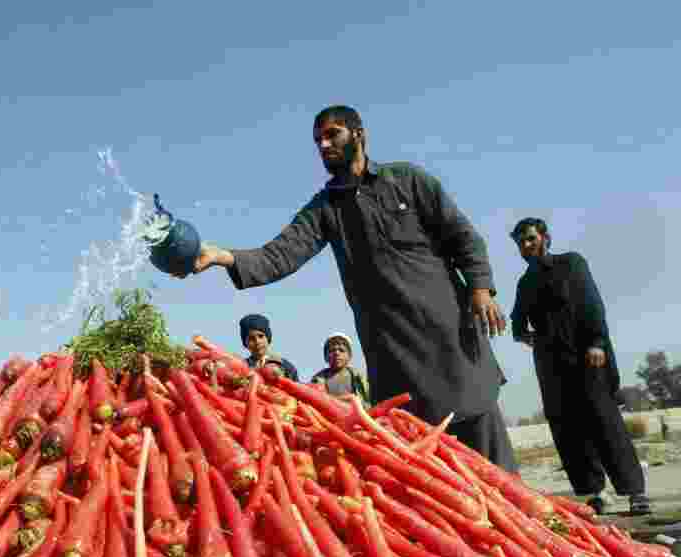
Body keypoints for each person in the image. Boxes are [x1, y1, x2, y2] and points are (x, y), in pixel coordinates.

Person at [175, 105, 518, 472]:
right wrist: (221, 256)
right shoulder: (325, 209)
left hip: (454, 341)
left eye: (332, 134)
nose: (324, 145)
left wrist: (481, 288)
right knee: (432, 473)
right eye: (317, 140)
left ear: (359, 134)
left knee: (496, 468)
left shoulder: (408, 181)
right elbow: (279, 255)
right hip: (395, 358)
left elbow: (463, 237)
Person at [509, 217, 651, 515]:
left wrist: (597, 341)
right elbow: (517, 323)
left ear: (545, 238)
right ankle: (594, 493)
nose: (526, 245)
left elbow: (592, 303)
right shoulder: (525, 283)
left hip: (586, 356)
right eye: (521, 242)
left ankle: (635, 492)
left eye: (531, 239)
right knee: (568, 428)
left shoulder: (571, 264)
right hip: (551, 366)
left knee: (605, 422)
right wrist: (529, 337)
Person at [238, 314, 300, 382]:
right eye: (251, 339)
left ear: (268, 338)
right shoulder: (242, 368)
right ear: (245, 343)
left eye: (261, 336)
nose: (257, 342)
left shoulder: (285, 367)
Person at [311, 332, 369, 400]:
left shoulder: (358, 377)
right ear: (325, 357)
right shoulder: (317, 379)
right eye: (332, 350)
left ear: (349, 356)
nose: (337, 353)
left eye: (341, 350)